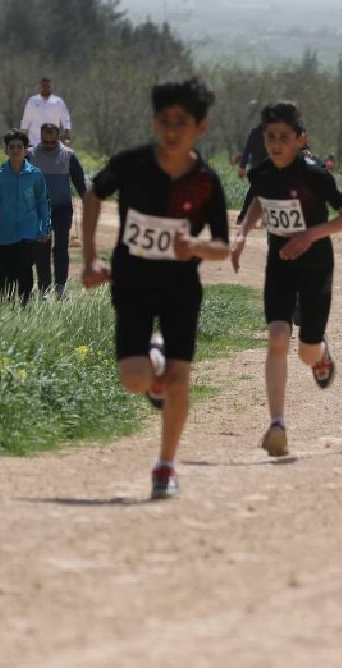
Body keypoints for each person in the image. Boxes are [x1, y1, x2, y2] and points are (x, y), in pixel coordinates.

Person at [81, 78, 231, 500]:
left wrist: (197, 246)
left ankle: (165, 466)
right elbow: (93, 197)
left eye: (181, 122)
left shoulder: (206, 182)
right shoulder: (130, 164)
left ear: (200, 127)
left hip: (181, 288)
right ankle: (153, 358)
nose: (171, 130)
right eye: (164, 121)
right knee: (134, 380)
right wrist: (90, 257)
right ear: (153, 121)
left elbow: (223, 244)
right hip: (132, 282)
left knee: (180, 380)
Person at [231, 101, 342, 459]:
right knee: (276, 337)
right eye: (270, 137)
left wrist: (310, 234)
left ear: (300, 140)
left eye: (284, 137)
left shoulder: (314, 174)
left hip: (316, 266)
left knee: (305, 354)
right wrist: (242, 234)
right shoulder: (262, 174)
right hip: (281, 266)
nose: (275, 144)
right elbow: (258, 201)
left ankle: (320, 354)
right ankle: (277, 424)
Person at [0, 130, 50, 304]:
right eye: (11, 147)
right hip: (5, 235)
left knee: (24, 275)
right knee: (5, 279)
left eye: (19, 147)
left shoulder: (35, 175)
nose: (15, 150)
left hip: (28, 234)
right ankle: (5, 312)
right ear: (6, 150)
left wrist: (45, 227)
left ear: (26, 150)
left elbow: (43, 202)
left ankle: (24, 309)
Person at [26, 122, 87, 299]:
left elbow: (80, 183)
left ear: (58, 138)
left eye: (53, 142)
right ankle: (44, 289)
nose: (49, 146)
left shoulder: (69, 155)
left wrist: (87, 200)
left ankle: (61, 288)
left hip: (62, 208)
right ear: (41, 137)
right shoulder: (31, 154)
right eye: (46, 142)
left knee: (61, 248)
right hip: (39, 209)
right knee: (41, 249)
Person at [21, 77, 72, 148]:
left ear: (51, 87)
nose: (46, 88)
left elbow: (66, 120)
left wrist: (67, 138)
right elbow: (25, 120)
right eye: (43, 86)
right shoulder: (32, 101)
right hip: (34, 141)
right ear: (40, 87)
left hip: (52, 141)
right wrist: (23, 138)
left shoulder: (58, 101)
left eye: (48, 86)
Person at [236, 111, 265, 181]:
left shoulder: (254, 132)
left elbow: (247, 150)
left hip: (256, 167)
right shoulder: (274, 133)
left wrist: (242, 167)